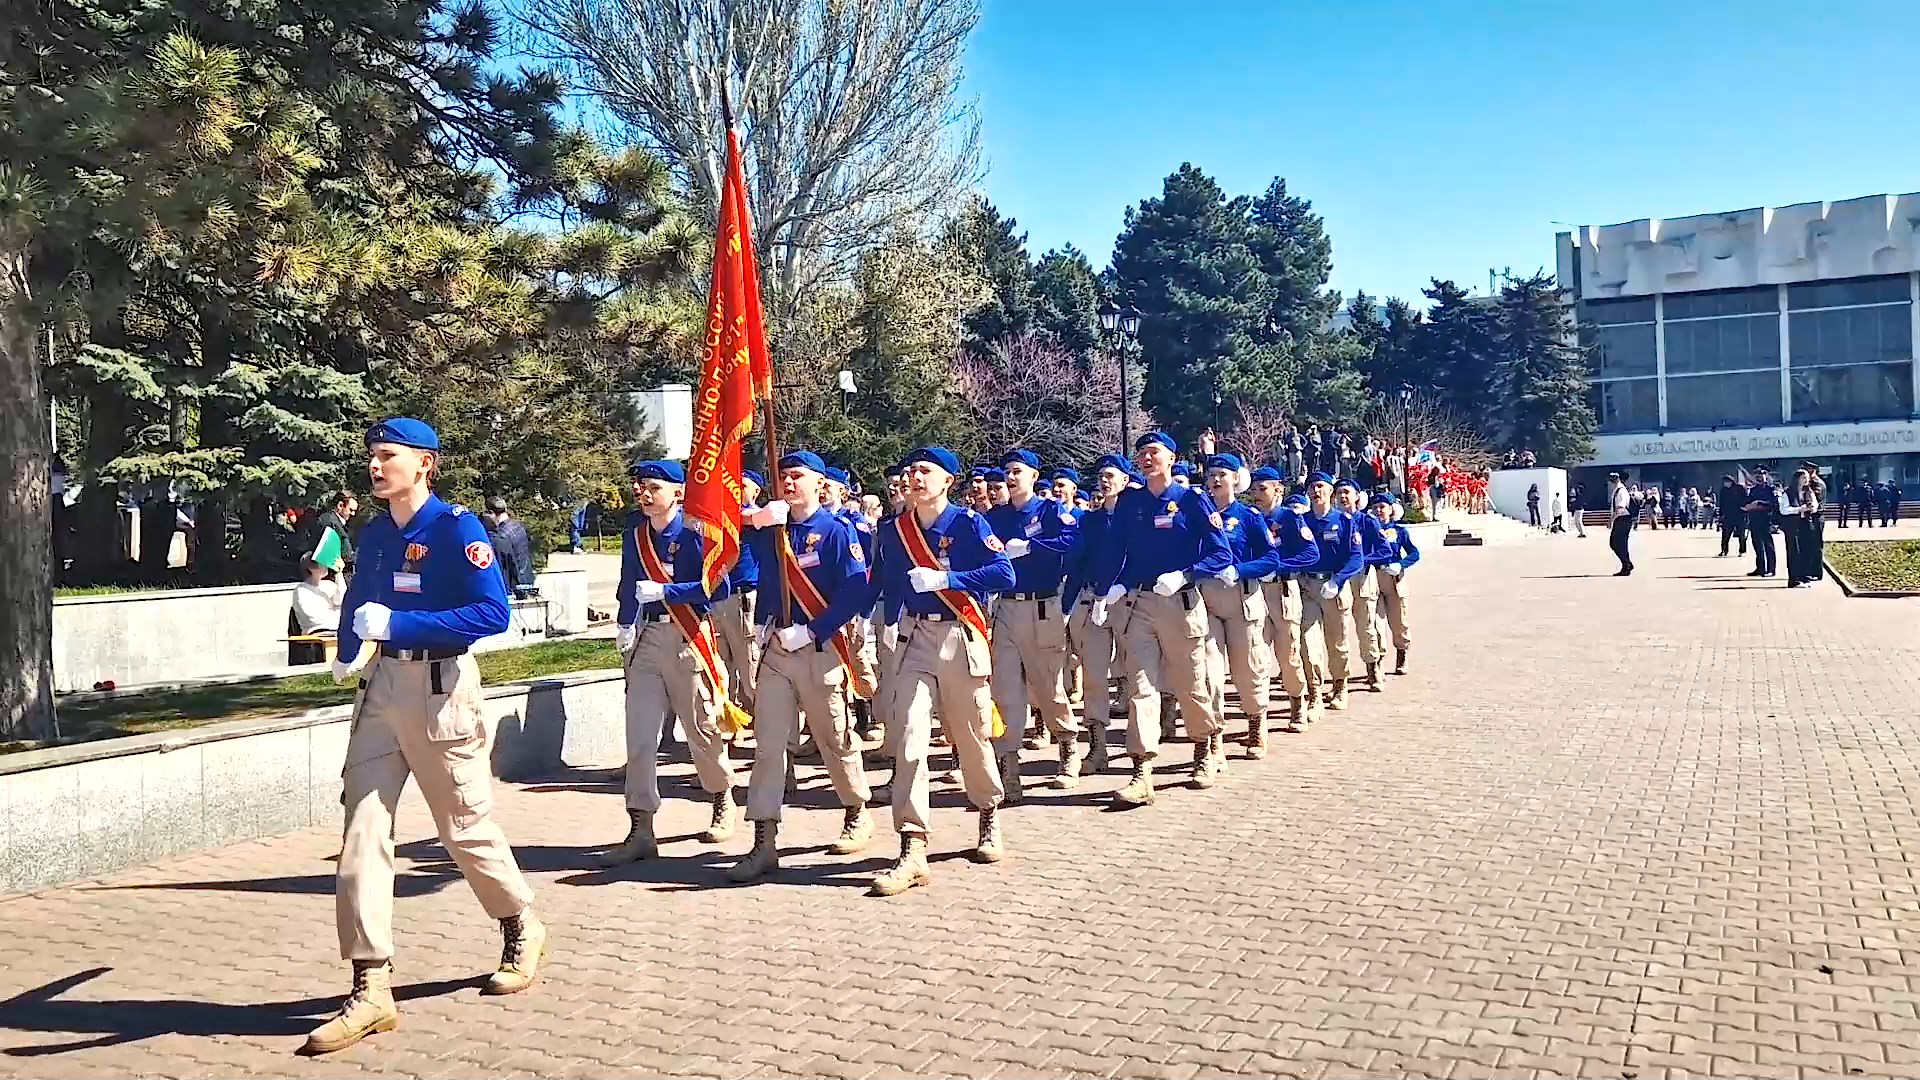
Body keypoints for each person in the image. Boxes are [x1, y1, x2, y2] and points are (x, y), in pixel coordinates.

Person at [306, 418, 545, 1055]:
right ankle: (370, 984)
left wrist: (402, 623)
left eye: (389, 457)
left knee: (463, 827)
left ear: (424, 465)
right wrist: (350, 648)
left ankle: (519, 921)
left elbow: (493, 611)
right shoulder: (376, 531)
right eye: (373, 456)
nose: (376, 466)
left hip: (442, 690)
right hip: (382, 692)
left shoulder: (457, 529)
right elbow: (360, 597)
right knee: (362, 829)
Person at [727, 451, 875, 882]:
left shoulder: (835, 531)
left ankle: (855, 809)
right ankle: (764, 840)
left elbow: (854, 594)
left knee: (833, 737)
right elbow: (717, 532)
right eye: (783, 477)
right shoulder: (772, 526)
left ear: (818, 484)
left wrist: (814, 631)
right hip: (776, 649)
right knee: (769, 745)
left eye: (797, 477)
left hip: (818, 648)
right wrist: (753, 519)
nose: (788, 483)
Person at [602, 460, 737, 866]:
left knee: (701, 730)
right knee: (640, 737)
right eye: (640, 486)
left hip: (688, 637)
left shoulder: (697, 534)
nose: (643, 493)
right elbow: (629, 583)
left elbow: (717, 587)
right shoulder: (636, 535)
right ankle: (640, 826)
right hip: (647, 638)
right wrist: (625, 622)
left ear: (677, 493)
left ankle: (721, 797)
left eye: (653, 487)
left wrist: (667, 590)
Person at [1091, 431, 1232, 805]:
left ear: (1171, 458)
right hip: (1140, 604)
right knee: (1141, 686)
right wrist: (1112, 589)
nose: (1146, 458)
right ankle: (1142, 771)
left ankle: (1204, 746)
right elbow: (1119, 552)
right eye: (1141, 453)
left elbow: (1222, 555)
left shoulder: (1192, 500)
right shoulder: (1129, 503)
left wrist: (1186, 574)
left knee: (1190, 682)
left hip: (1181, 604)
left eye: (1154, 452)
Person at [985, 448, 1082, 797]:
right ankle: (1008, 766)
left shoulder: (1052, 511)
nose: (1011, 478)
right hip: (1006, 609)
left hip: (1043, 607)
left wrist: (1030, 546)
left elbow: (1072, 543)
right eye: (1007, 471)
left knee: (1048, 687)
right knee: (1006, 690)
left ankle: (1068, 747)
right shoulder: (995, 516)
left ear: (1033, 476)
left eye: (1017, 471)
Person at [1198, 453, 1279, 758]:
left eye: (1222, 474)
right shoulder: (1199, 515)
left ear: (1235, 479)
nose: (1216, 479)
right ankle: (1214, 734)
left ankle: (1256, 723)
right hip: (1207, 600)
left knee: (1249, 668)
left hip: (1242, 599)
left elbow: (1271, 558)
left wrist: (1240, 569)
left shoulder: (1249, 516)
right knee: (1208, 670)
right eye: (1211, 475)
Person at [1064, 455, 1133, 776]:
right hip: (1092, 602)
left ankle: (1138, 746)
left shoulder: (1135, 517)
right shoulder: (1089, 521)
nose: (1104, 481)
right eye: (1101, 476)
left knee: (1136, 675)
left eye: (1111, 476)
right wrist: (1066, 606)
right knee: (1093, 677)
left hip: (1128, 600)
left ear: (1124, 480)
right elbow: (1077, 563)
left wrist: (1117, 588)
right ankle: (1098, 746)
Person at [1248, 472, 1320, 731]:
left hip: (1282, 591)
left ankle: (1298, 702)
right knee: (1256, 655)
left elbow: (1310, 553)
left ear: (1278, 490)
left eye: (1263, 488)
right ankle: (1257, 719)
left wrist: (1278, 567)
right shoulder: (1249, 517)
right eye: (1254, 488)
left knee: (1289, 652)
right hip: (1254, 591)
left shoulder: (1290, 518)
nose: (1257, 494)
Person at [1299, 471, 1365, 711]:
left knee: (1337, 643)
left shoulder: (1345, 522)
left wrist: (1338, 580)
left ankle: (1340, 685)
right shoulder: (1302, 521)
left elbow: (1356, 558)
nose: (1315, 492)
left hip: (1335, 588)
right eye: (1311, 488)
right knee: (1308, 642)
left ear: (1330, 491)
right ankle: (1315, 691)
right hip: (1308, 588)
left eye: (1320, 487)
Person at [710, 471, 763, 713]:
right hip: (717, 598)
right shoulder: (719, 518)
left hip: (743, 599)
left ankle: (766, 726)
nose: (734, 490)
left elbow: (754, 517)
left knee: (750, 667)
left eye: (742, 486)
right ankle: (728, 722)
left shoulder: (759, 519)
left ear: (756, 491)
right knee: (721, 667)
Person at [1367, 493, 1419, 674]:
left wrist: (1401, 564)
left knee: (1399, 620)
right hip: (1373, 577)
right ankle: (1377, 660)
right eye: (1375, 507)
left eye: (1383, 507)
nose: (1379, 511)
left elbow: (1414, 553)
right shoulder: (1368, 531)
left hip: (1394, 578)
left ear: (1391, 510)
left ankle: (1401, 654)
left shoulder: (1399, 531)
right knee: (1375, 622)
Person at [483, 496, 537, 598]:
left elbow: (505, 566)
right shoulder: (519, 527)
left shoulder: (500, 537)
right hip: (527, 582)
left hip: (514, 589)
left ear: (491, 513)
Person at [310, 491, 360, 574]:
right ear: (340, 505)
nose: (353, 514)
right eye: (351, 510)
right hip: (331, 575)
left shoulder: (333, 522)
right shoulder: (331, 523)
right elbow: (344, 554)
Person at [1742, 467, 1779, 578]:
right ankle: (1760, 568)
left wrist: (1759, 503)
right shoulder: (1753, 490)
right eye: (1757, 475)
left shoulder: (1771, 489)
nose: (1759, 477)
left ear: (1766, 476)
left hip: (1766, 519)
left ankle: (1771, 569)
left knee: (1768, 545)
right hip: (1754, 519)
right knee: (1757, 545)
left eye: (1761, 475)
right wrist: (1747, 505)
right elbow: (1747, 502)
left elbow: (1773, 503)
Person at [1795, 464, 1826, 588]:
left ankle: (1816, 572)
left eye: (1807, 472)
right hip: (1810, 518)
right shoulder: (1811, 484)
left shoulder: (1817, 484)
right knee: (1810, 545)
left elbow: (1815, 501)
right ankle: (1809, 571)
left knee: (1816, 545)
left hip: (1817, 517)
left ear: (1812, 471)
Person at [1607, 472, 1634, 577]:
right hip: (1621, 519)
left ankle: (1626, 564)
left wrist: (1611, 519)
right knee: (1619, 543)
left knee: (1617, 543)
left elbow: (1620, 508)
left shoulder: (1621, 491)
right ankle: (1627, 564)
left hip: (1623, 518)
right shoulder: (1617, 490)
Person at [1717, 475, 1746, 558]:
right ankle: (1724, 550)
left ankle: (1742, 551)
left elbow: (1745, 499)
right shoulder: (1723, 490)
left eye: (1727, 481)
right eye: (1724, 482)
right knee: (1725, 534)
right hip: (1728, 515)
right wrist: (1720, 515)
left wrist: (1745, 509)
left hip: (1740, 514)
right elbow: (1721, 503)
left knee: (1741, 534)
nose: (1725, 483)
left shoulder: (1740, 488)